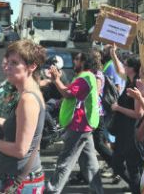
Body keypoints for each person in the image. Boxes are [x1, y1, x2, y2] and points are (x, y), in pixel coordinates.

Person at [0, 40, 47, 192]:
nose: (7, 67)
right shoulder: (27, 94)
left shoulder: (28, 99)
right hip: (17, 178)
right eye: (7, 62)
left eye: (14, 63)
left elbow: (20, 150)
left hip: (21, 182)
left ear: (32, 66)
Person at [45, 50, 106, 194]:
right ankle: (98, 191)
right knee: (90, 162)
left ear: (84, 62)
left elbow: (68, 93)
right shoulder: (85, 76)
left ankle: (53, 190)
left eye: (77, 59)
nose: (74, 61)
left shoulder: (85, 78)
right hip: (84, 125)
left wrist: (56, 80)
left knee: (65, 162)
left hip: (79, 126)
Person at [109, 53, 144, 194]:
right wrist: (113, 53)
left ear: (132, 68)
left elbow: (138, 113)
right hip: (123, 131)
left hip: (131, 132)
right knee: (117, 164)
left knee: (132, 166)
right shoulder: (130, 79)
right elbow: (119, 69)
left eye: (126, 65)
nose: (123, 66)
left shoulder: (137, 84)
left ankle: (138, 189)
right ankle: (136, 187)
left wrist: (118, 108)